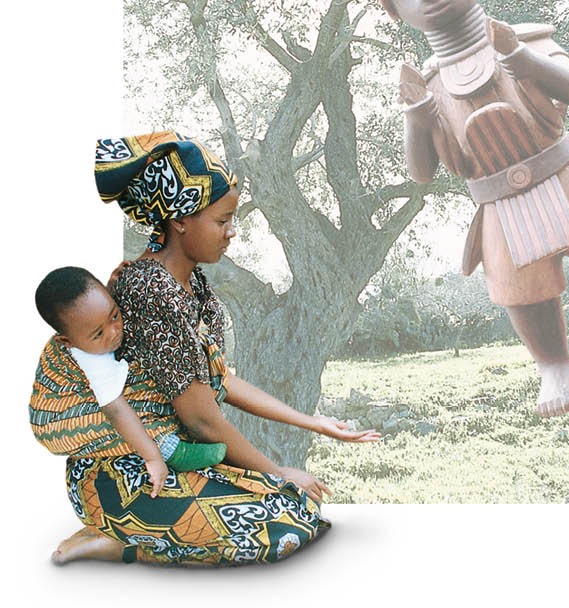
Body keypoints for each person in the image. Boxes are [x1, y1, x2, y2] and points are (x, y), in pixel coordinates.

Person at [31, 131, 380, 566]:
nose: (232, 232)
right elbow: (200, 417)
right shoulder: (151, 290)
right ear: (180, 220)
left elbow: (219, 381)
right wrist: (277, 472)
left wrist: (315, 423)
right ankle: (120, 539)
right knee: (283, 524)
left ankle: (130, 533)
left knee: (299, 506)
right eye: (222, 220)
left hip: (170, 458)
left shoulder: (190, 282)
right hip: (123, 472)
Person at [362, 0, 569, 417]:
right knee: (519, 292)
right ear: (394, 9)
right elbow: (421, 173)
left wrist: (523, 60)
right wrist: (417, 118)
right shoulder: (427, 84)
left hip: (564, 177)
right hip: (499, 205)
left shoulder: (526, 39)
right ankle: (554, 364)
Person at [34, 266, 227, 496]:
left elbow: (98, 313)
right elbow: (116, 411)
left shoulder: (88, 326)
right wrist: (153, 458)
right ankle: (172, 450)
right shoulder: (94, 360)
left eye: (114, 315)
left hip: (75, 394)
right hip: (55, 420)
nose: (114, 331)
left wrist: (112, 287)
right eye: (99, 334)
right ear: (67, 341)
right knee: (123, 418)